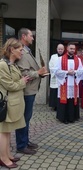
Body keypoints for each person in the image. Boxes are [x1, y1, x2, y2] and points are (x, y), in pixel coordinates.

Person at [15, 28, 48, 155]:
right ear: (24, 36)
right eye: (31, 36)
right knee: (23, 118)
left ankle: (25, 141)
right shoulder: (21, 51)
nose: (33, 38)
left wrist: (40, 74)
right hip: (26, 91)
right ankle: (21, 145)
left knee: (27, 118)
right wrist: (38, 73)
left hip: (31, 90)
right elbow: (23, 73)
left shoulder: (26, 50)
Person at [0, 38, 30, 168]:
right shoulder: (3, 65)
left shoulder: (12, 64)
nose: (22, 53)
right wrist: (22, 82)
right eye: (20, 50)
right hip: (7, 103)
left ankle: (8, 155)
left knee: (7, 131)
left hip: (14, 103)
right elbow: (10, 85)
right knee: (3, 131)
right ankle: (3, 158)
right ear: (12, 50)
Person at [54, 42, 83, 124]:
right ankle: (64, 118)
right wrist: (67, 72)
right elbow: (56, 71)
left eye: (74, 49)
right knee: (65, 100)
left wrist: (74, 72)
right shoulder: (60, 59)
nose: (72, 50)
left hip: (73, 84)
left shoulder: (78, 59)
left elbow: (82, 70)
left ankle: (72, 117)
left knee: (72, 101)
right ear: (67, 48)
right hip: (65, 83)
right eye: (71, 48)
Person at [49, 44, 65, 112]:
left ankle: (60, 105)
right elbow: (50, 65)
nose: (60, 50)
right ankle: (54, 105)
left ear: (64, 49)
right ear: (57, 49)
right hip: (55, 76)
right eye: (59, 49)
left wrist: (61, 72)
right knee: (54, 91)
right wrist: (56, 71)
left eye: (61, 49)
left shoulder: (65, 57)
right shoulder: (53, 56)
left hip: (62, 77)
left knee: (61, 91)